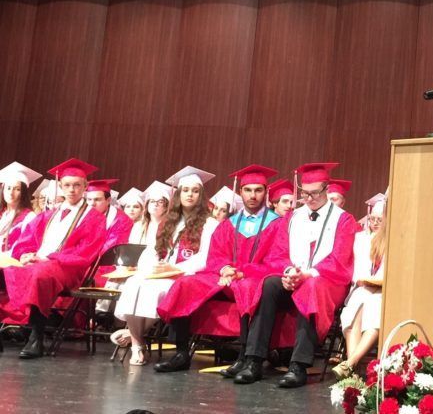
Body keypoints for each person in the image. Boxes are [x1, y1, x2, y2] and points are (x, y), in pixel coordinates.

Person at [233, 162, 358, 389]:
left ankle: (298, 366)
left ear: (327, 189)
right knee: (268, 284)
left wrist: (307, 275)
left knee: (311, 288)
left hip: (327, 280)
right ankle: (254, 360)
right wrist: (290, 272)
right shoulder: (292, 217)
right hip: (293, 276)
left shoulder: (344, 220)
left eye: (314, 193)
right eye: (304, 193)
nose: (308, 199)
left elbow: (340, 260)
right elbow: (278, 253)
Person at [154, 164, 283, 375]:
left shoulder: (277, 224)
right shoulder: (229, 223)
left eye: (258, 190)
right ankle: (181, 353)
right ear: (240, 192)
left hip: (253, 277)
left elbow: (278, 260)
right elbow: (215, 255)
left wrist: (242, 272)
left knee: (248, 287)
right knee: (185, 283)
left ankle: (244, 357)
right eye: (248, 190)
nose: (253, 195)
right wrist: (224, 268)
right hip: (223, 276)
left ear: (265, 193)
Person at [1, 158, 107, 359]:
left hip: (68, 268)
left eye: (77, 185)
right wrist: (26, 255)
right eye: (67, 185)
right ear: (60, 186)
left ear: (85, 186)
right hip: (38, 263)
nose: (72, 190)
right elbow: (28, 239)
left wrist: (48, 257)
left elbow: (86, 252)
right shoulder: (48, 214)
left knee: (41, 275)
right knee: (4, 272)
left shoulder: (94, 218)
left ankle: (36, 337)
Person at [113, 166, 218, 366]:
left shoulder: (209, 223)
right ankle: (137, 344)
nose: (190, 195)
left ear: (201, 195)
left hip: (185, 276)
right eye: (186, 190)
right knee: (134, 283)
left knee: (155, 290)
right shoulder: (168, 221)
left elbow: (206, 256)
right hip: (161, 273)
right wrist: (152, 267)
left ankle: (134, 335)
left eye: (195, 191)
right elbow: (152, 250)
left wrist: (174, 269)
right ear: (178, 194)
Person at [335, 197, 387, 376]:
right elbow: (357, 272)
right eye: (372, 219)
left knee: (373, 311)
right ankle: (351, 366)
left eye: (380, 219)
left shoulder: (394, 241)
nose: (374, 223)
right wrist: (364, 281)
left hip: (383, 292)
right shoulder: (361, 239)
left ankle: (350, 364)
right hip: (362, 289)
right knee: (354, 311)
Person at [0, 162, 41, 255]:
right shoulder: (2, 214)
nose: (11, 193)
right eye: (8, 188)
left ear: (23, 192)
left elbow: (26, 247)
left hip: (10, 265)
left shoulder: (30, 217)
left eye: (17, 189)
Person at [85, 178, 133, 254]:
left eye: (97, 199)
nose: (92, 204)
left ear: (108, 200)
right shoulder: (82, 214)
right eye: (89, 199)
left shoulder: (122, 220)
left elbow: (111, 249)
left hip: (105, 262)